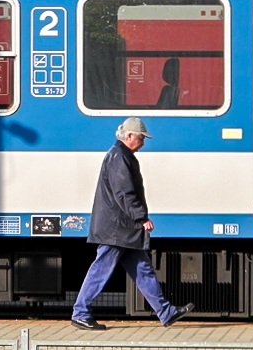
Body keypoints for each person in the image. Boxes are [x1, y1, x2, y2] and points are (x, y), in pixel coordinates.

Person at [71, 117, 194, 330]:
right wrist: (141, 217)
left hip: (122, 229)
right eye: (141, 138)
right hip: (116, 229)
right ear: (129, 136)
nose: (143, 142)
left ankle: (165, 311)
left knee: (143, 269)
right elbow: (124, 193)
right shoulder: (119, 157)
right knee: (101, 268)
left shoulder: (122, 155)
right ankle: (80, 312)